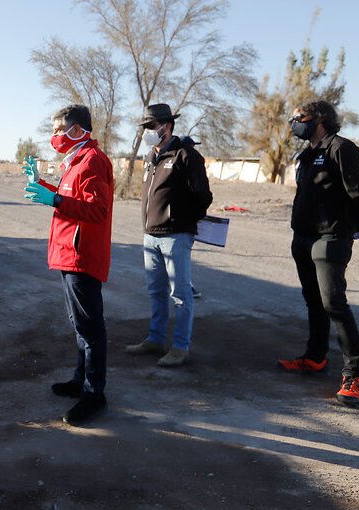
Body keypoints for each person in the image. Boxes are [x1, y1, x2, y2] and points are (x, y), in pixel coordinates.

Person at [278, 99, 359, 404]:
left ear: (319, 118)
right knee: (313, 301)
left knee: (334, 302)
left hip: (330, 239)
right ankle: (315, 357)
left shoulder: (341, 149)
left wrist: (348, 229)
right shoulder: (307, 155)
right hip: (303, 238)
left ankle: (355, 375)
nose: (293, 123)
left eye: (298, 117)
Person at [24, 104, 114, 425]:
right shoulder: (76, 160)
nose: (55, 136)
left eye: (59, 129)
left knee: (90, 329)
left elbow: (96, 210)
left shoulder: (92, 161)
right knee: (80, 326)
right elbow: (67, 196)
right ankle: (81, 380)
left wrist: (56, 200)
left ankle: (94, 394)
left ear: (77, 130)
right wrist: (44, 186)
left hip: (81, 256)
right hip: (68, 254)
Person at [125, 104, 212, 367]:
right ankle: (156, 339)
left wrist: (182, 221)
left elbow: (203, 197)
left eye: (151, 126)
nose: (148, 132)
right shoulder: (151, 158)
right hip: (150, 235)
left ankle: (180, 347)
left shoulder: (186, 155)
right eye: (145, 127)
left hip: (176, 235)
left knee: (180, 294)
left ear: (167, 126)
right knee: (156, 291)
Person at [180, 135, 204, 300]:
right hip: (183, 224)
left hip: (183, 222)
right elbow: (201, 194)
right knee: (182, 259)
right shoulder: (189, 164)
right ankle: (185, 287)